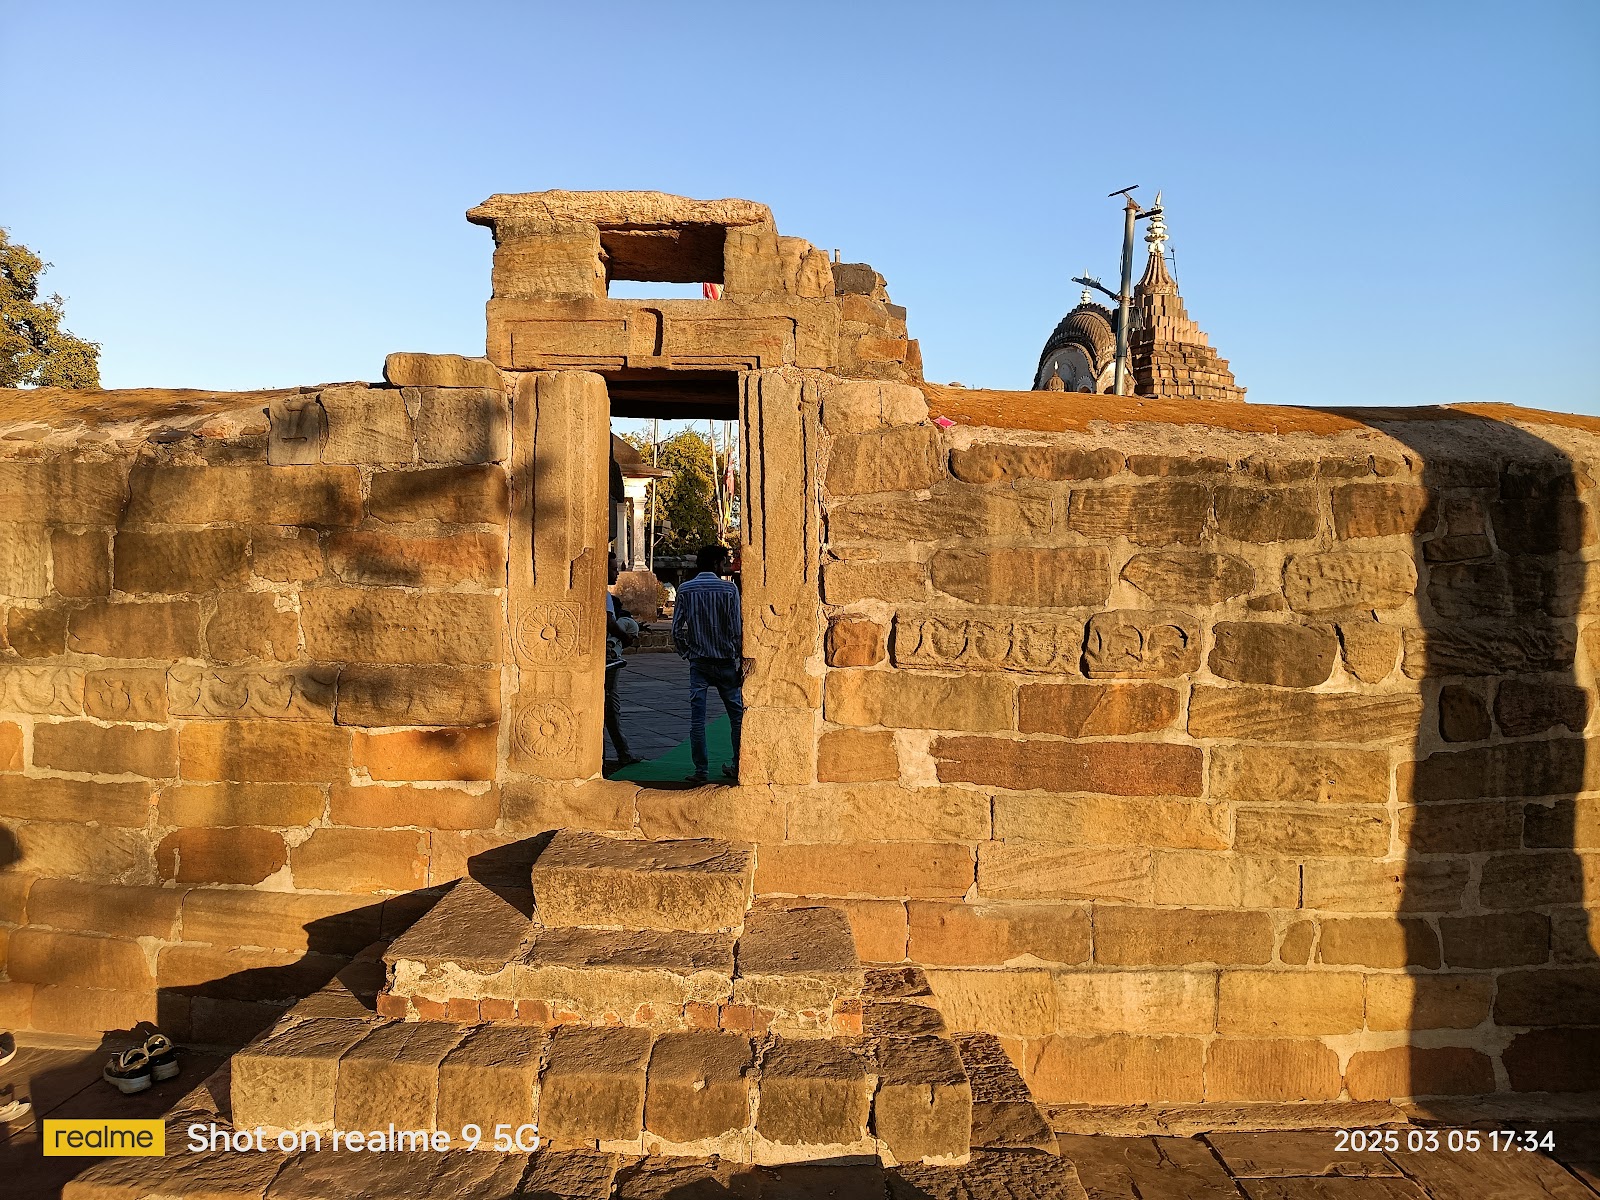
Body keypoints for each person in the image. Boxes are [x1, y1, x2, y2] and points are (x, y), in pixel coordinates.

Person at [672, 544, 745, 783]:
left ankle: (701, 770)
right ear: (716, 563)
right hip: (724, 661)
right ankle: (737, 764)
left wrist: (687, 652)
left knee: (697, 719)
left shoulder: (685, 589)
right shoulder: (729, 590)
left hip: (699, 661)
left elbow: (677, 630)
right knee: (736, 716)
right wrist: (736, 653)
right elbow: (736, 628)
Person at [604, 552, 642, 773]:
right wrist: (625, 637)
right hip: (608, 658)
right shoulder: (605, 595)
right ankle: (621, 754)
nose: (616, 573)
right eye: (612, 569)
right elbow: (608, 621)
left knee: (609, 707)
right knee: (611, 706)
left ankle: (622, 752)